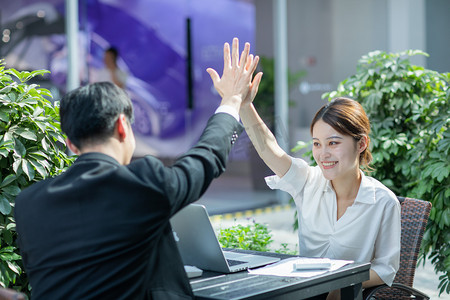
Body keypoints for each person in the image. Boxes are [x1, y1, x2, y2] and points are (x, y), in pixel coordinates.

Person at [14, 38, 260, 299]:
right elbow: (205, 158)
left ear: (71, 144)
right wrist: (231, 102)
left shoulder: (28, 203)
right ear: (123, 126)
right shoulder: (140, 183)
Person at [211, 64, 401, 298]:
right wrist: (244, 104)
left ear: (361, 144)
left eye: (333, 143)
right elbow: (269, 149)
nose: (322, 154)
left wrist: (336, 287)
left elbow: (386, 269)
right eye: (316, 143)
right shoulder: (307, 181)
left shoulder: (382, 202)